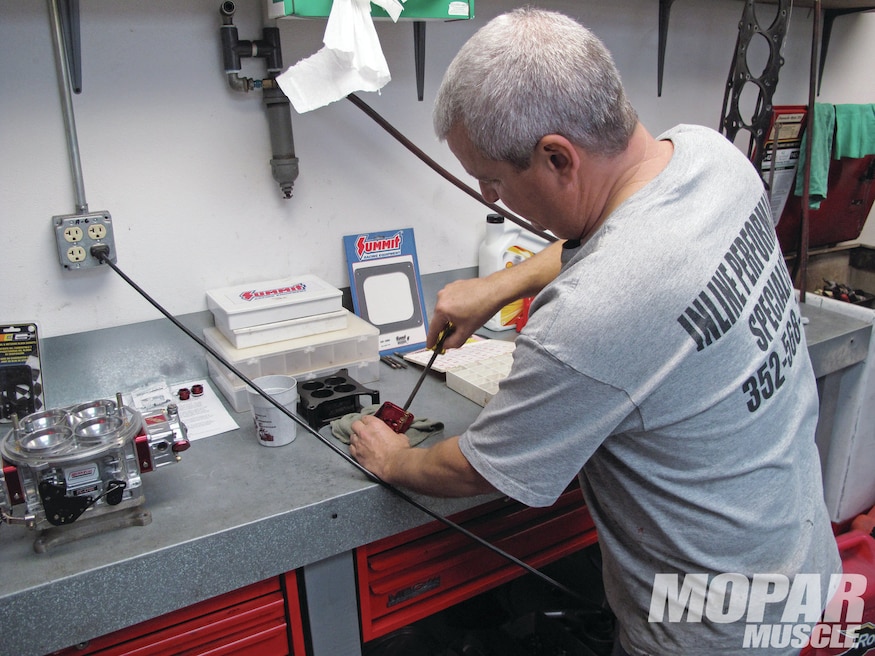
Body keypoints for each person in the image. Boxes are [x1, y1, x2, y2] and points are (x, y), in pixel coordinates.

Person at [348, 8, 841, 655]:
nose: (490, 199)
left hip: (708, 632)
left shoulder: (589, 317)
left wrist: (394, 459)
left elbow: (483, 469)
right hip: (798, 559)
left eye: (492, 181)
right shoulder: (709, 158)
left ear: (557, 156)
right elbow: (613, 238)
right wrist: (496, 286)